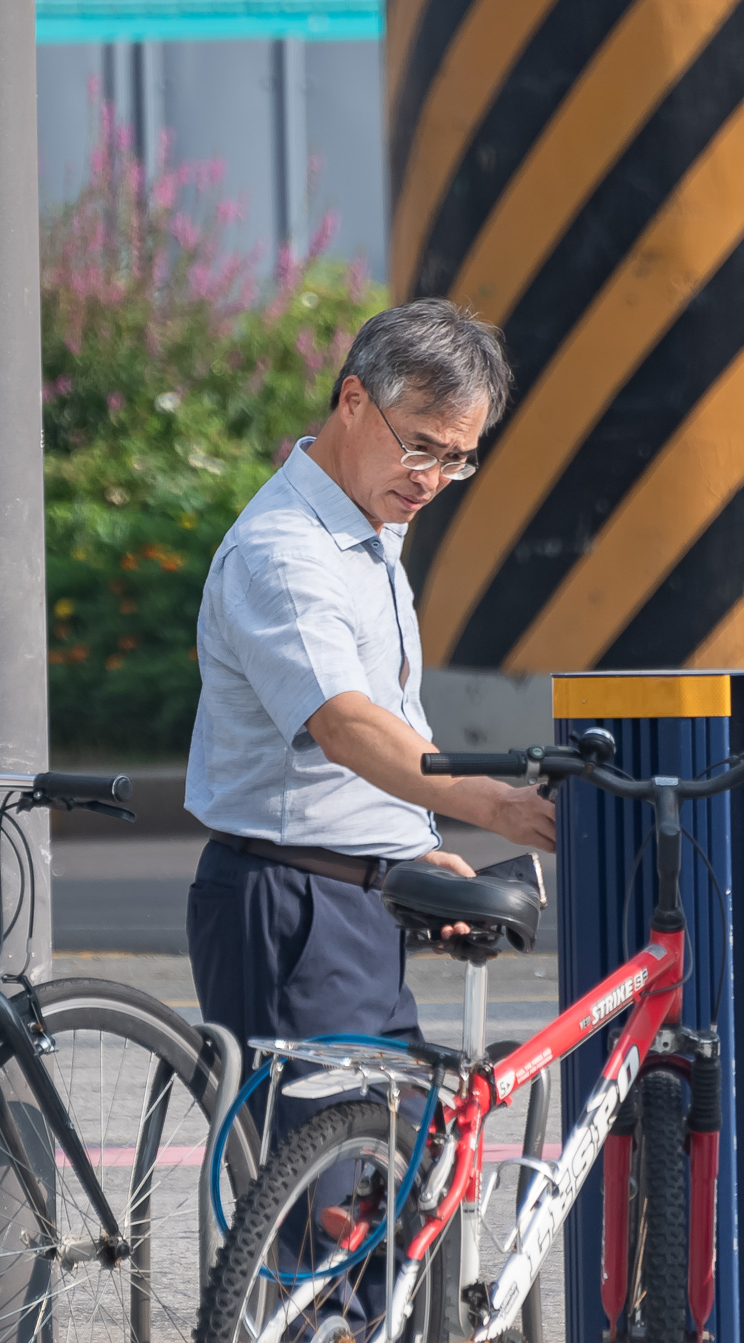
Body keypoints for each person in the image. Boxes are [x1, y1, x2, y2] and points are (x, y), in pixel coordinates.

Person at [186, 297, 556, 1146]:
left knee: (390, 1191)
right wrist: (497, 806)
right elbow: (346, 727)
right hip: (292, 905)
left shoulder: (368, 531)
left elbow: (385, 719)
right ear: (354, 400)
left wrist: (408, 848)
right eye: (420, 444)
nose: (431, 477)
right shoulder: (286, 552)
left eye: (457, 459)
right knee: (326, 1211)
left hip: (352, 896)